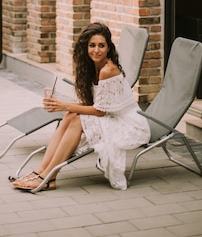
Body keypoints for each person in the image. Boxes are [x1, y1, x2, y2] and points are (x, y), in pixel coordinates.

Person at [12, 22, 151, 192]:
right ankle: (42, 171)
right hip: (111, 116)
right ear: (85, 47)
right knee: (71, 115)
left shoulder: (108, 70)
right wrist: (64, 107)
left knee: (75, 118)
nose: (96, 50)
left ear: (109, 48)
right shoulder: (91, 67)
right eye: (92, 45)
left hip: (128, 124)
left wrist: (63, 105)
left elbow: (100, 111)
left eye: (101, 45)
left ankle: (48, 176)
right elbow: (93, 105)